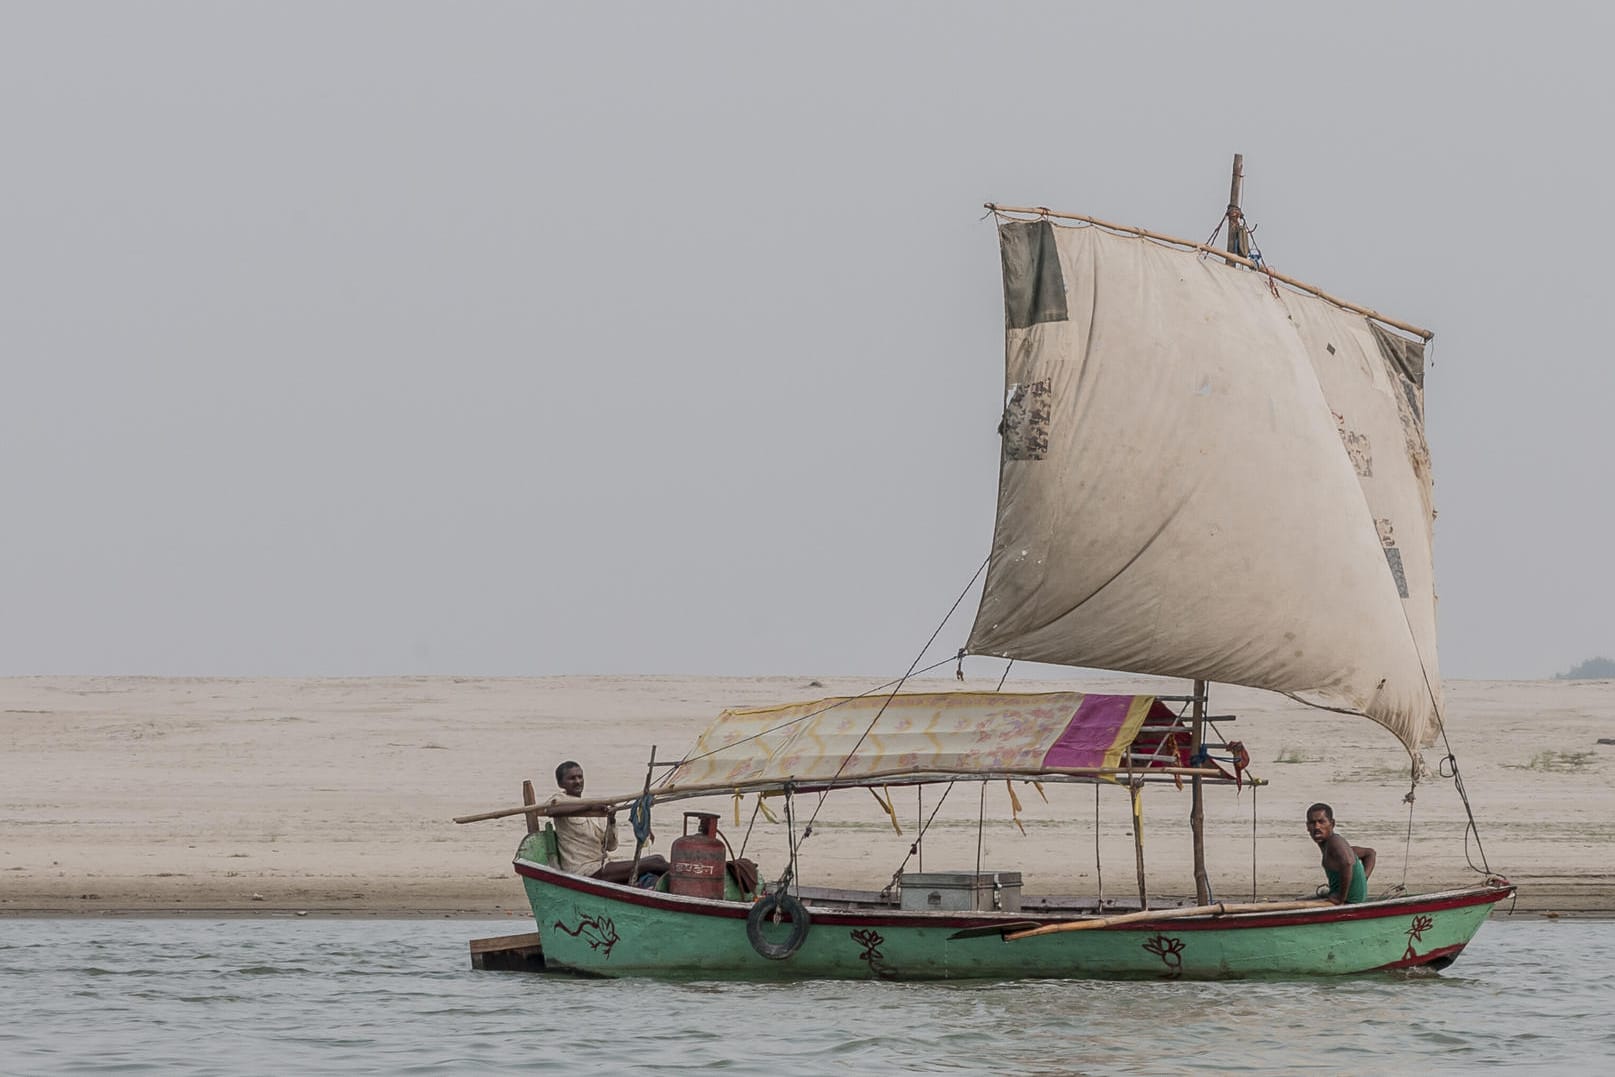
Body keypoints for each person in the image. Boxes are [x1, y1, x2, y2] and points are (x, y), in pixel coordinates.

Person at [545, 761, 669, 885]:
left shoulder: (594, 810)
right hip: (584, 871)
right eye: (572, 778)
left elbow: (611, 846)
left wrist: (611, 820)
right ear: (561, 783)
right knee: (656, 862)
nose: (578, 781)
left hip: (603, 865)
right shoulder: (560, 800)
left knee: (655, 869)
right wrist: (588, 807)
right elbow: (550, 810)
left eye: (580, 777)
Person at [1306, 802, 1376, 905]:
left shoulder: (1334, 842)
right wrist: (1362, 880)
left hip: (1349, 903)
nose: (1317, 827)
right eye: (1312, 823)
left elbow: (1347, 863)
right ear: (1307, 826)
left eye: (1321, 822)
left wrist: (1340, 898)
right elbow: (1370, 853)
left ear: (1332, 824)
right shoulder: (1340, 849)